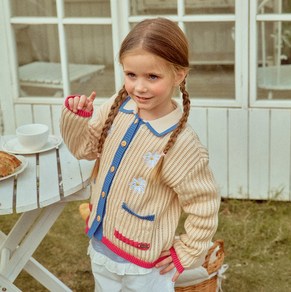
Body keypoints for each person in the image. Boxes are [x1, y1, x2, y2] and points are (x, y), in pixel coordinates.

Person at [60, 17, 220, 292]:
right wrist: (78, 117)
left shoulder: (181, 144)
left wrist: (187, 252)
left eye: (152, 77)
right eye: (131, 75)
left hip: (145, 266)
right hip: (101, 245)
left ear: (179, 75)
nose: (139, 87)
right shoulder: (118, 105)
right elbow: (83, 149)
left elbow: (204, 205)